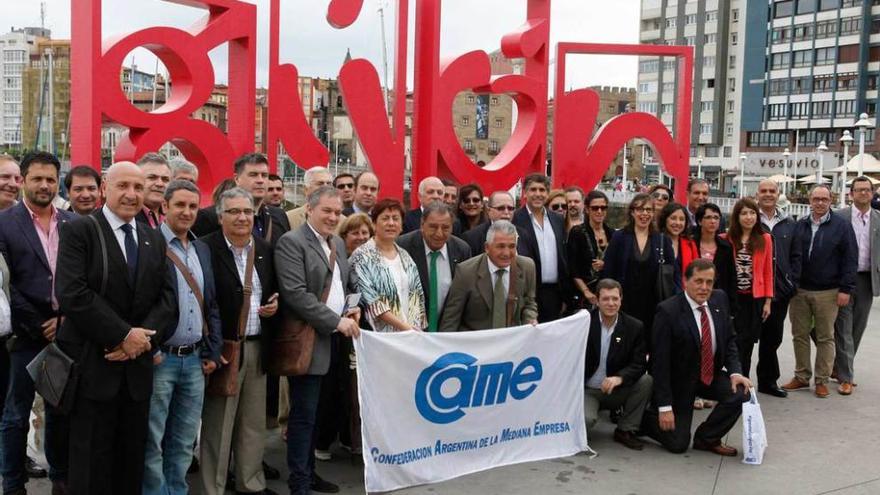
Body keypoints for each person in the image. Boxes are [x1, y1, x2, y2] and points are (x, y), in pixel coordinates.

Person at [56, 162, 177, 494]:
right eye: (123, 186)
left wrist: (140, 341)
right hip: (94, 368)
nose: (132, 194)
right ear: (105, 187)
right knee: (91, 465)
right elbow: (72, 293)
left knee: (130, 463)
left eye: (138, 188)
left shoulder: (153, 237)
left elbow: (167, 299)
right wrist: (124, 335)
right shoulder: (81, 230)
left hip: (136, 373)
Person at [274, 186, 361, 495]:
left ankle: (310, 474)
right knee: (304, 415)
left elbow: (347, 283)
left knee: (321, 413)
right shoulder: (291, 243)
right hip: (309, 340)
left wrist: (353, 307)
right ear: (309, 209)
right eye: (327, 211)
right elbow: (296, 295)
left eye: (338, 212)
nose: (333, 217)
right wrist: (335, 320)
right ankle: (299, 481)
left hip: (336, 340)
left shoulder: (336, 241)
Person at [0, 152, 74, 495]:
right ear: (24, 181)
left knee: (60, 411)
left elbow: (82, 279)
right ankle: (13, 484)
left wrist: (64, 320)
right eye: (37, 179)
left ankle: (60, 477)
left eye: (50, 179)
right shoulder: (5, 223)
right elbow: (6, 285)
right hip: (24, 336)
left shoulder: (73, 223)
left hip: (64, 335)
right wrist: (39, 322)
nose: (44, 185)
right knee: (15, 416)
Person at [142, 180, 222, 495]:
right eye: (180, 205)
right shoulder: (150, 244)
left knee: (184, 440)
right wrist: (152, 349)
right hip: (161, 359)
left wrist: (213, 351)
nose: (187, 212)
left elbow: (211, 303)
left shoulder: (201, 247)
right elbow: (140, 303)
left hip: (194, 361)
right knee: (153, 439)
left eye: (192, 206)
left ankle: (176, 491)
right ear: (165, 207)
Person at [198, 187, 279, 495]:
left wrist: (275, 304)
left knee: (253, 424)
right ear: (220, 217)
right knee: (219, 424)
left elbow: (272, 290)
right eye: (234, 211)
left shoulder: (264, 249)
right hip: (226, 348)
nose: (243, 217)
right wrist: (212, 348)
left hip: (258, 346)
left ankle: (250, 482)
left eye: (247, 211)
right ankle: (213, 488)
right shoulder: (205, 249)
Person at [640, 259, 752, 456]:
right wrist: (665, 407)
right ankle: (644, 419)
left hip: (707, 375)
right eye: (698, 281)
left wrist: (735, 372)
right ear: (686, 281)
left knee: (741, 393)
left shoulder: (720, 300)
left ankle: (706, 438)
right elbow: (660, 363)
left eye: (709, 282)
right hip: (679, 384)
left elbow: (730, 340)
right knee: (678, 444)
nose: (704, 287)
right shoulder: (668, 311)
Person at [783, 185, 858, 398]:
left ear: (831, 200)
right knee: (800, 335)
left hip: (829, 291)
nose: (819, 203)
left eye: (824, 199)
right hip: (800, 291)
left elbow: (850, 259)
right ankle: (801, 376)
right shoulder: (800, 225)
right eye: (816, 199)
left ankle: (822, 380)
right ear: (810, 200)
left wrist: (846, 289)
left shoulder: (842, 226)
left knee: (826, 337)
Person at [583, 279, 652, 451]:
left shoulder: (634, 327)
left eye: (615, 298)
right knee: (586, 421)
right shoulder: (583, 323)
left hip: (616, 390)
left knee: (646, 381)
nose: (611, 303)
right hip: (588, 391)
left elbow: (639, 364)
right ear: (597, 301)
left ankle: (625, 430)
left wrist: (619, 378)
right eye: (605, 299)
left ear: (621, 299)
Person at [439, 221, 538, 331]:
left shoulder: (527, 267)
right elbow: (451, 318)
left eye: (512, 246)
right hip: (475, 343)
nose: (506, 253)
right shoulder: (466, 272)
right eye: (500, 246)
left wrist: (530, 320)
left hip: (511, 342)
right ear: (487, 247)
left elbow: (529, 303)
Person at [350, 199, 427, 333]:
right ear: (374, 223)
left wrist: (416, 330)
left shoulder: (405, 256)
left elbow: (417, 296)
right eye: (385, 218)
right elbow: (372, 302)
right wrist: (405, 328)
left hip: (410, 336)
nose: (391, 223)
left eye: (395, 219)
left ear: (402, 225)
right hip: (380, 337)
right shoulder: (362, 256)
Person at [833, 177, 879, 395]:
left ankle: (841, 367)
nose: (863, 193)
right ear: (851, 194)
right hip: (843, 280)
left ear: (872, 193)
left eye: (867, 190)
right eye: (859, 190)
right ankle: (846, 377)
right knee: (843, 329)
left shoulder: (878, 219)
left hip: (868, 280)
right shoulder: (840, 217)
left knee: (857, 328)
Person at [601, 193, 674, 332]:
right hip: (625, 302)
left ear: (653, 213)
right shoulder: (619, 237)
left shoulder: (662, 240)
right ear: (632, 212)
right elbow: (608, 270)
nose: (644, 214)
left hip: (653, 302)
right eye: (640, 209)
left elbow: (672, 272)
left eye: (648, 210)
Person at [756, 179, 801, 398]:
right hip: (752, 291)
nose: (767, 194)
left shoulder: (789, 223)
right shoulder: (749, 218)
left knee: (772, 339)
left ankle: (767, 381)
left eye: (771, 191)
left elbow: (796, 256)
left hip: (779, 291)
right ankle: (740, 383)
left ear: (778, 194)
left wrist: (791, 283)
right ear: (757, 193)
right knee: (744, 340)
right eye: (763, 191)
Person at [397, 203, 472, 332]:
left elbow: (465, 296)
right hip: (411, 332)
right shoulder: (402, 247)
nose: (439, 233)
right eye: (433, 227)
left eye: (445, 227)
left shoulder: (462, 250)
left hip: (448, 333)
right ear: (422, 225)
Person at [721, 198, 774, 379]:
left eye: (752, 213)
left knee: (748, 343)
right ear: (737, 216)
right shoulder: (725, 239)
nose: (749, 217)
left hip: (754, 299)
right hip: (733, 299)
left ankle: (744, 383)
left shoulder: (765, 239)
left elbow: (768, 271)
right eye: (744, 213)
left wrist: (768, 301)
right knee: (731, 341)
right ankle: (729, 380)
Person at [192, 153, 291, 248]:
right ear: (237, 179)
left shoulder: (278, 215)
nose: (260, 180)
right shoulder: (210, 216)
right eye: (253, 175)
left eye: (264, 175)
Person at [513, 174, 569, 322]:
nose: (538, 194)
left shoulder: (557, 219)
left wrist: (565, 294)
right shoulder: (515, 219)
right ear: (524, 192)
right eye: (533, 190)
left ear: (547, 193)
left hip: (554, 293)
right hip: (528, 293)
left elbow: (562, 256)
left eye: (542, 190)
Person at [567, 191, 614, 305]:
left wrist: (605, 264)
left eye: (603, 208)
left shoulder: (613, 234)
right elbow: (572, 268)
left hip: (608, 294)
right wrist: (586, 292)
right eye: (595, 208)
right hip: (584, 294)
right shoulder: (577, 232)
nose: (599, 211)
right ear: (587, 209)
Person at [461, 191, 531, 257]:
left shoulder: (523, 234)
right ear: (489, 211)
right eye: (501, 208)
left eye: (510, 208)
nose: (506, 212)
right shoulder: (472, 237)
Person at [693, 203, 737, 306]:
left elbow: (731, 277)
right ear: (700, 221)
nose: (713, 221)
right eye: (708, 217)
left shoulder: (726, 246)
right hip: (694, 296)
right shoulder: (691, 244)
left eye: (716, 218)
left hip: (718, 299)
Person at [658, 203, 698, 290]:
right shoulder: (655, 241)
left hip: (683, 296)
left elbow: (696, 272)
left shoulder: (690, 244)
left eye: (682, 219)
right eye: (673, 218)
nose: (677, 223)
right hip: (659, 294)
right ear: (665, 220)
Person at [136, 153, 172, 229]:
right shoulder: (127, 218)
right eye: (152, 177)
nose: (160, 184)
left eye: (165, 179)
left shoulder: (174, 217)